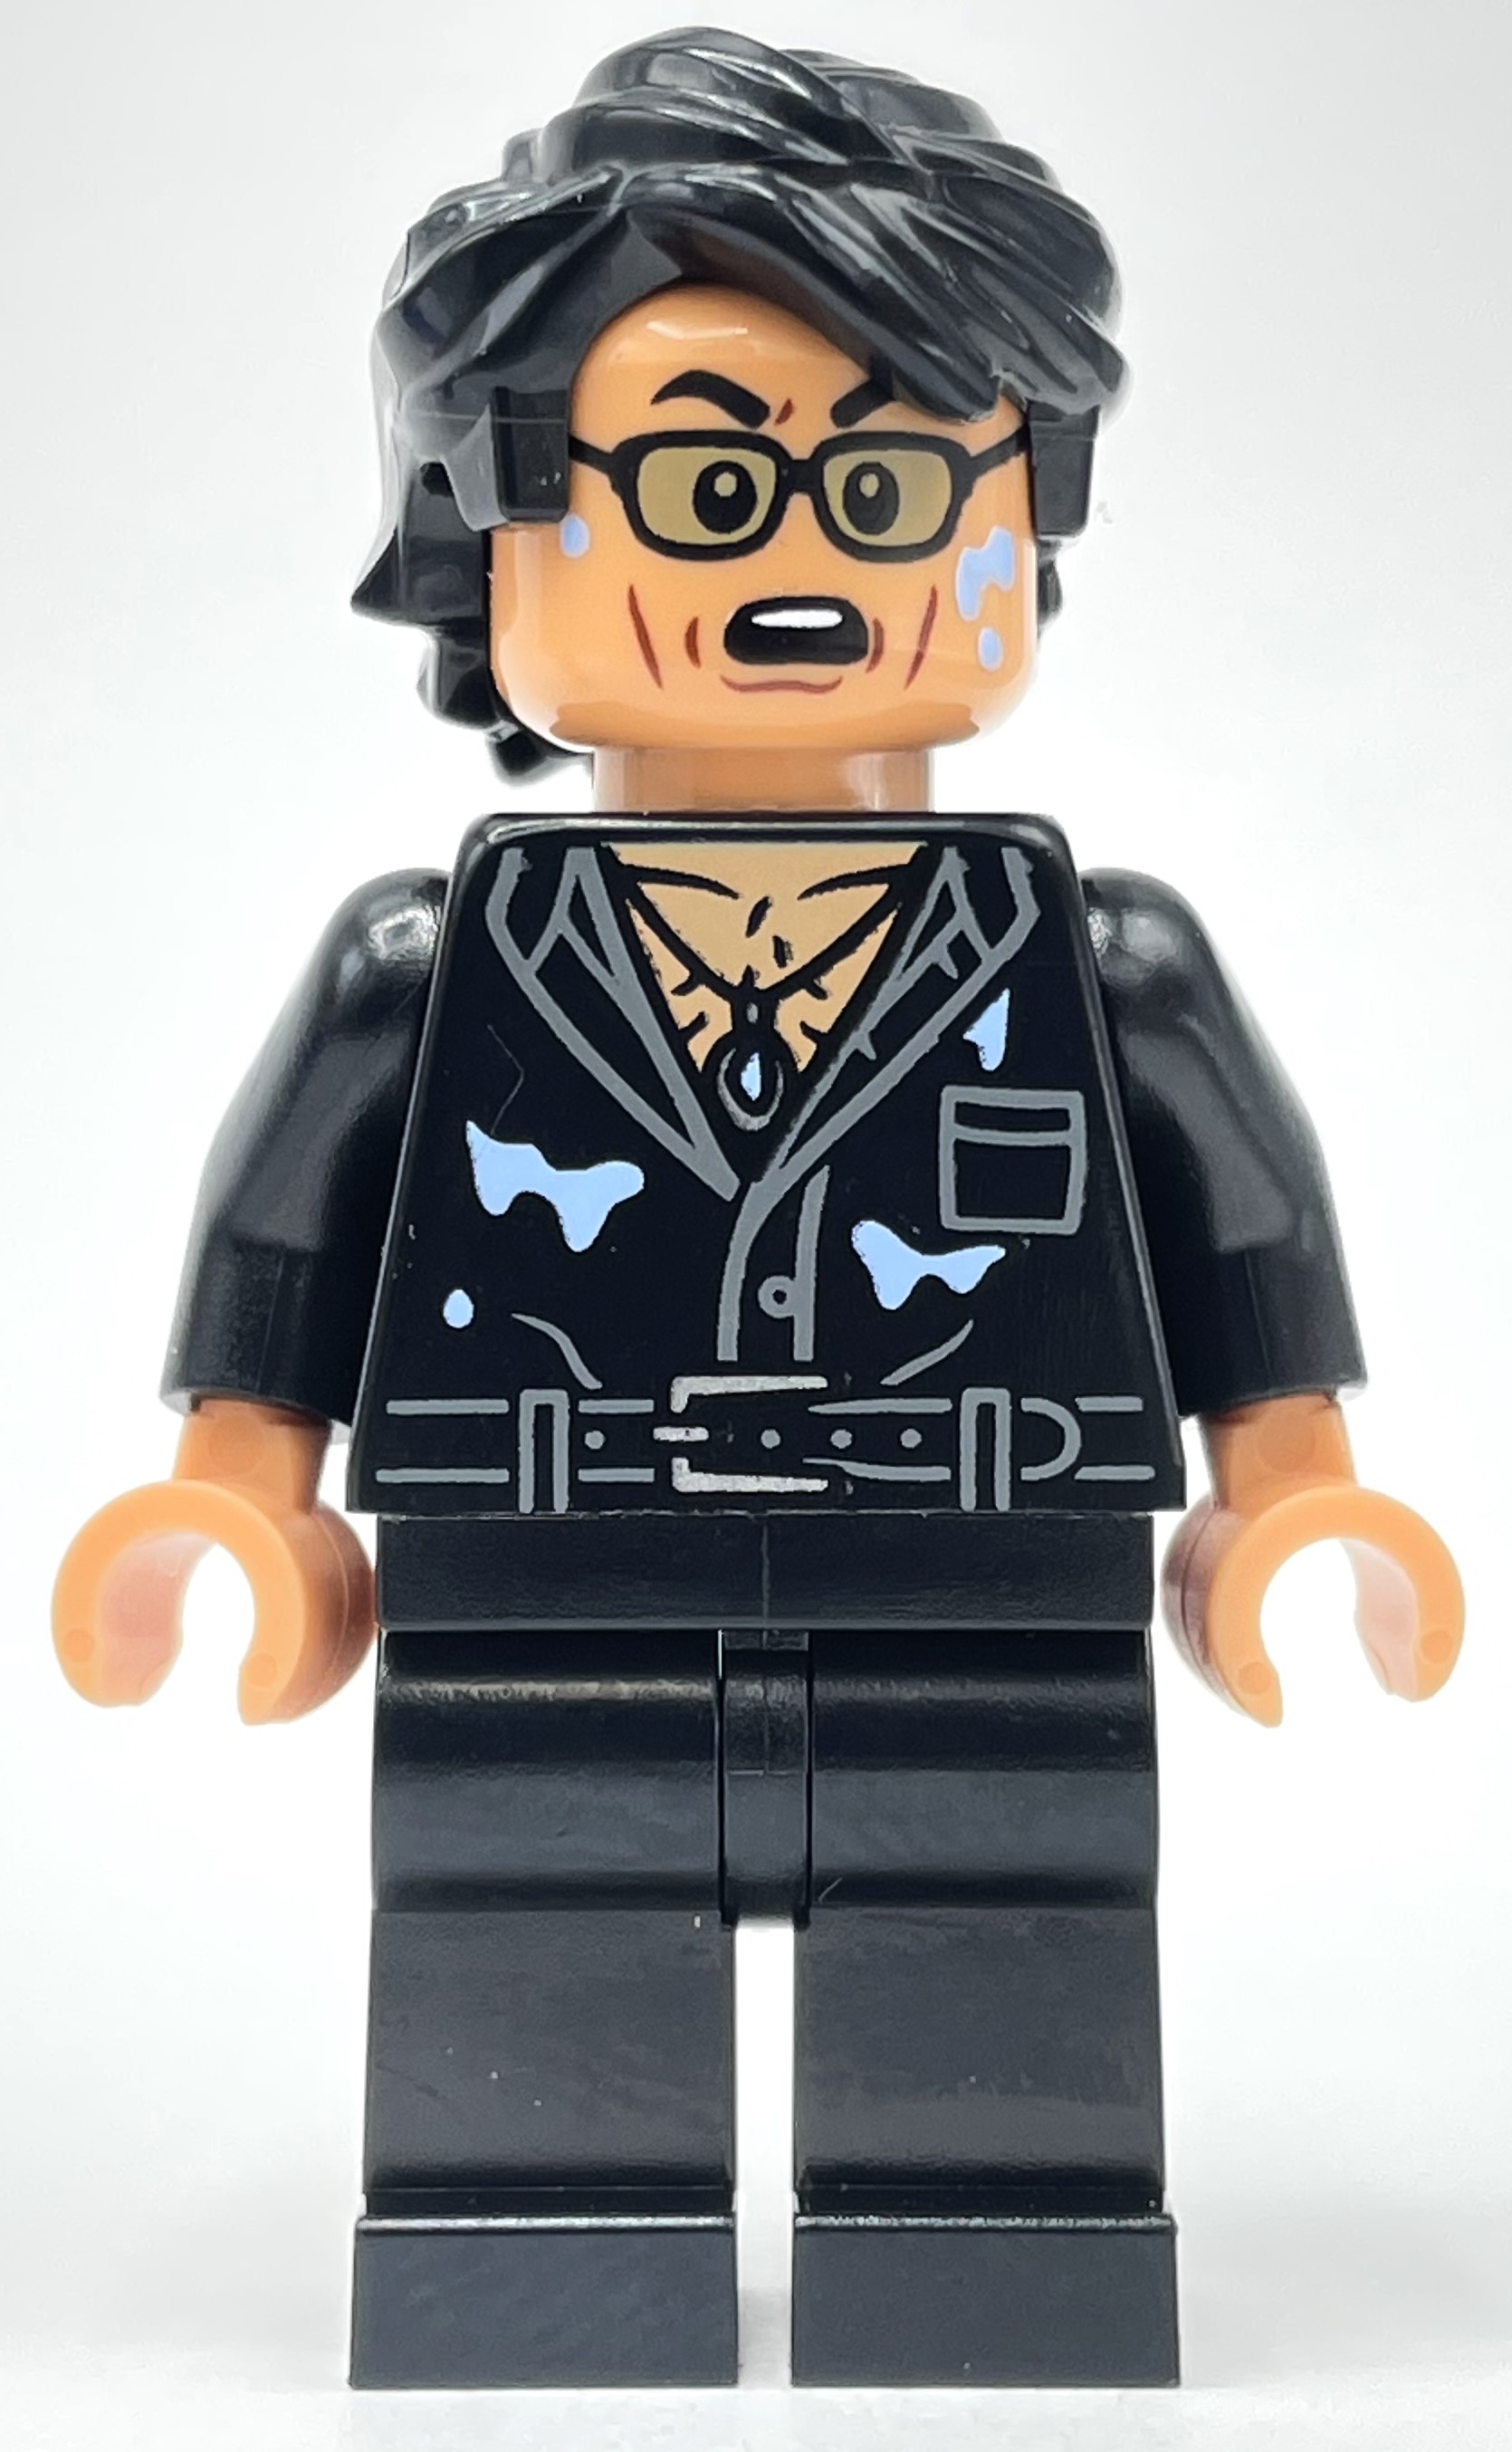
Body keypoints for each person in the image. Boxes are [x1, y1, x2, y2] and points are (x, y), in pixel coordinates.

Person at [53, 26, 1463, 2390]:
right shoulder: (431, 962)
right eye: (709, 489)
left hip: (988, 1570)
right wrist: (241, 1494)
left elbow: (1244, 1246)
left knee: (1002, 1932)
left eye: (893, 486)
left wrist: (1289, 1497)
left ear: (1028, 512)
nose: (809, 565)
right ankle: (538, 2253)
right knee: (527, 1927)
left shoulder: (1101, 959)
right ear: (494, 519)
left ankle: (995, 2251)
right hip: (541, 1569)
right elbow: (290, 1235)